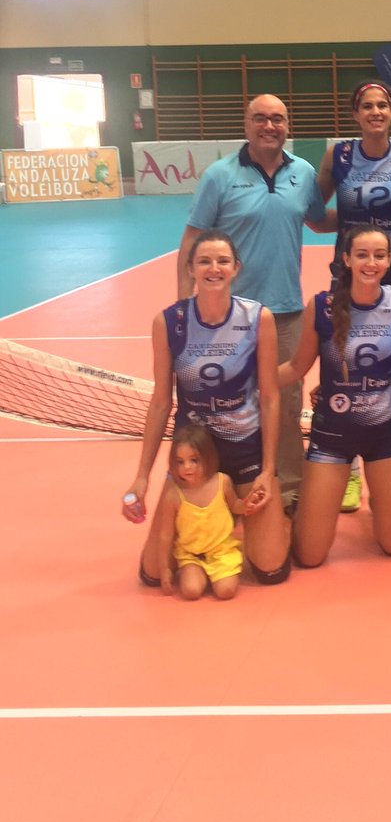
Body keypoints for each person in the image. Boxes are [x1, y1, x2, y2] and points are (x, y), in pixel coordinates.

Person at [176, 94, 326, 505]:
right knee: (223, 408)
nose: (269, 126)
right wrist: (183, 308)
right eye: (260, 118)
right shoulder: (219, 176)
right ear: (246, 125)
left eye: (277, 119)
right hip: (226, 317)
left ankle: (288, 492)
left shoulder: (304, 173)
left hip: (286, 313)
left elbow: (317, 220)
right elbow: (192, 240)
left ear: (287, 126)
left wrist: (376, 220)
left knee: (286, 406)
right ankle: (215, 493)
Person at [125, 229, 292, 585]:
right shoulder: (169, 322)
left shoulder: (257, 319)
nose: (214, 268)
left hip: (244, 448)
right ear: (191, 269)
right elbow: (160, 402)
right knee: (152, 573)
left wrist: (268, 470)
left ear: (236, 268)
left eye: (222, 261)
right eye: (204, 261)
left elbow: (269, 397)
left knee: (271, 569)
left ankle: (241, 523)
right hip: (193, 456)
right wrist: (142, 477)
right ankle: (204, 537)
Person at [316, 80, 391, 511]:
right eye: (367, 105)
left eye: (383, 105)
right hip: (349, 275)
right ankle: (348, 470)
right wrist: (351, 232)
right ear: (356, 113)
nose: (376, 112)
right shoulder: (338, 155)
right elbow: (314, 211)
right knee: (344, 365)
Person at [277, 226, 391, 566]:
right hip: (332, 435)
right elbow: (296, 367)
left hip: (385, 434)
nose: (371, 263)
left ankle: (383, 502)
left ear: (389, 260)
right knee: (309, 556)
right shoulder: (322, 306)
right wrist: (248, 379)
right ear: (347, 259)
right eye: (362, 255)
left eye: (379, 255)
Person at [147, 424, 250, 600]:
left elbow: (235, 505)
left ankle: (219, 573)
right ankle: (196, 572)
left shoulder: (222, 482)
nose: (187, 467)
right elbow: (166, 535)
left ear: (207, 457)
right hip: (191, 555)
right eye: (180, 462)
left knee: (226, 591)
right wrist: (164, 569)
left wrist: (246, 504)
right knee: (191, 591)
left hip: (222, 551)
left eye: (194, 460)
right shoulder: (174, 496)